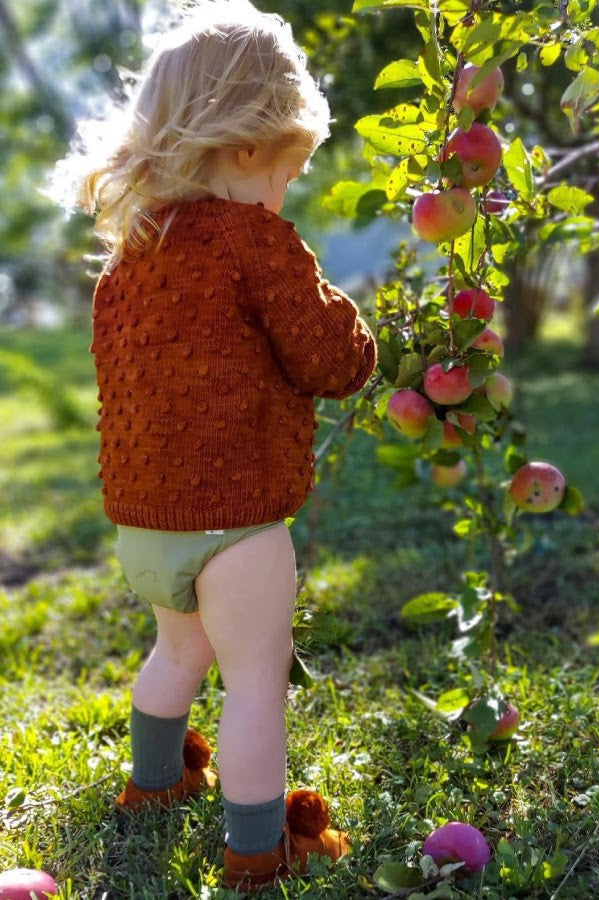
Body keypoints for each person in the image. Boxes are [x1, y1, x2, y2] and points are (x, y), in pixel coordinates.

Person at [68, 0, 377, 892]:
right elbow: (331, 363)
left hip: (145, 522)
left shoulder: (131, 253)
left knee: (178, 654)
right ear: (247, 149)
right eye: (286, 173)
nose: (284, 196)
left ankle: (153, 787)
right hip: (236, 524)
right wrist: (348, 316)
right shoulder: (254, 240)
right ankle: (255, 851)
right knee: (254, 684)